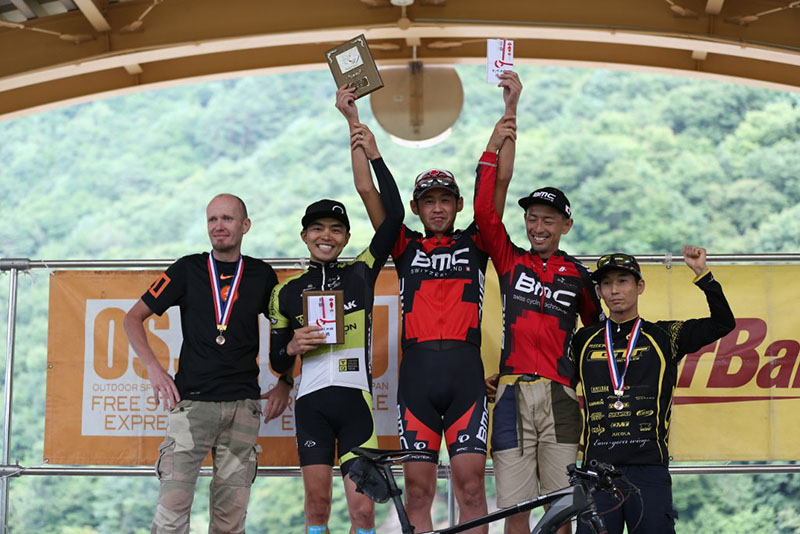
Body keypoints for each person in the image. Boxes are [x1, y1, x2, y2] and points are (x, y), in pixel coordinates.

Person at [335, 71, 521, 533]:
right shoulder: (403, 244)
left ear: (458, 205)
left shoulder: (476, 242)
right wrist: (354, 125)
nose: (437, 208)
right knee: (417, 492)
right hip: (416, 378)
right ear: (416, 208)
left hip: (465, 377)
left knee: (471, 490)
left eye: (445, 200)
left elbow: (500, 185)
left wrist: (509, 114)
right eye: (428, 201)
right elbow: (366, 190)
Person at [123, 193, 291, 534]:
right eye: (212, 219)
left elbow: (285, 331)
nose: (219, 226)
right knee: (170, 519)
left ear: (245, 225)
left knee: (231, 523)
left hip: (243, 406)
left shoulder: (261, 274)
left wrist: (285, 382)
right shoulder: (187, 269)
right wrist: (153, 368)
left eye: (227, 218)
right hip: (192, 406)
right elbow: (132, 318)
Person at [268, 149, 404, 534]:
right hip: (311, 406)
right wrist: (291, 348)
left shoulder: (360, 272)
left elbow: (394, 217)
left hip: (356, 405)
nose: (326, 236)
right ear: (305, 235)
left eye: (335, 229)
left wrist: (374, 156)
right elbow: (277, 361)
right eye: (317, 229)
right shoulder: (285, 292)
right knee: (317, 507)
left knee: (363, 513)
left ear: (345, 238)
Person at [473, 145, 603, 534]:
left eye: (548, 220)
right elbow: (484, 214)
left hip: (561, 397)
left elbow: (597, 338)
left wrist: (582, 384)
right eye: (532, 218)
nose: (539, 227)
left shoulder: (579, 275)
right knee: (516, 508)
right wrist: (492, 149)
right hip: (511, 394)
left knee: (560, 507)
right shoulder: (510, 260)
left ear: (566, 225)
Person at [573, 248, 735, 534]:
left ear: (640, 286)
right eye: (607, 284)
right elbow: (556, 378)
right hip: (596, 471)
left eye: (622, 281)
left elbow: (723, 323)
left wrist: (702, 274)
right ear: (599, 291)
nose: (614, 290)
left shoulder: (664, 336)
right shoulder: (583, 339)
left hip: (648, 468)